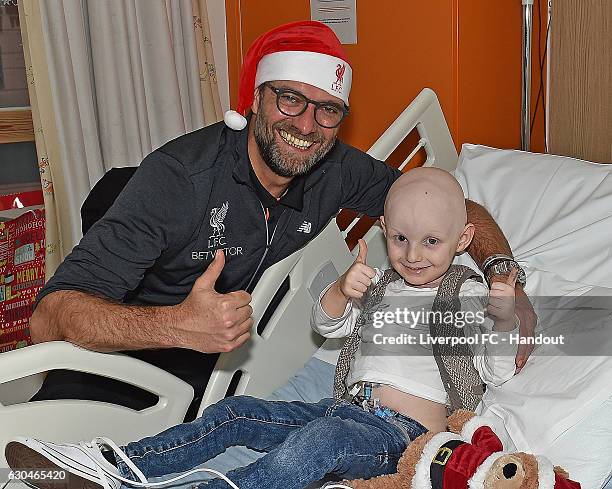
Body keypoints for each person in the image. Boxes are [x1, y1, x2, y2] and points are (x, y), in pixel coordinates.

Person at [28, 20, 535, 415]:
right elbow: (47, 318)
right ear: (255, 98)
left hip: (222, 377)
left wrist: (503, 276)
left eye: (327, 109)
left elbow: (451, 210)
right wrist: (177, 325)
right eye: (289, 99)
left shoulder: (334, 167)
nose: (307, 125)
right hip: (117, 361)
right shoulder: (180, 178)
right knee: (41, 466)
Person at [5, 168, 522, 489]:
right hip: (341, 406)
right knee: (234, 414)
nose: (412, 255)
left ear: (462, 239)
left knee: (310, 450)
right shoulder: (382, 281)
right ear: (385, 231)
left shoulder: (467, 293)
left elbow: (494, 372)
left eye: (431, 241)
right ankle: (115, 467)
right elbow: (328, 325)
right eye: (401, 238)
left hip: (399, 434)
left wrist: (502, 315)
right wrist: (343, 289)